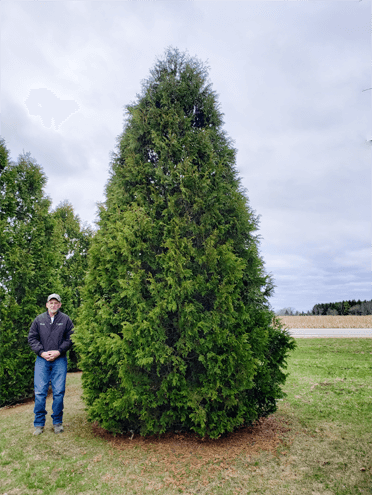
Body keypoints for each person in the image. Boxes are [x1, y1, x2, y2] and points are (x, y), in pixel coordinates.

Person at [28, 293, 74, 435]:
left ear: (60, 305)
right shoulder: (39, 320)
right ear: (47, 304)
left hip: (59, 360)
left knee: (59, 392)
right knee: (40, 392)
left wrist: (59, 352)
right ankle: (39, 424)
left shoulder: (65, 320)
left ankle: (57, 423)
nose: (53, 305)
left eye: (56, 303)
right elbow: (32, 338)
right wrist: (41, 352)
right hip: (42, 360)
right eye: (51, 303)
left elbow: (71, 338)